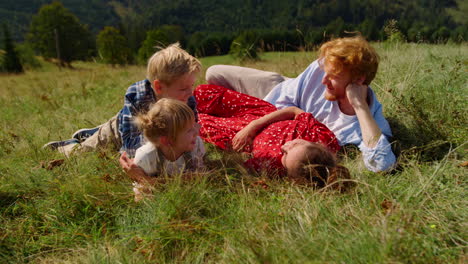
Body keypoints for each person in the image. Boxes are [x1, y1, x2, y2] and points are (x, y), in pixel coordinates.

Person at [206, 36, 396, 172]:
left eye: (334, 77)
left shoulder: (366, 124)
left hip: (286, 118)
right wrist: (254, 121)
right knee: (214, 73)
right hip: (278, 92)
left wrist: (359, 106)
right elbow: (286, 99)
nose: (324, 82)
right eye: (325, 73)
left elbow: (382, 164)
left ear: (359, 80)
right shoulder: (322, 71)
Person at [43, 43, 201, 158]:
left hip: (148, 132)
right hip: (117, 131)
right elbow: (130, 146)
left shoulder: (187, 98)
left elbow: (192, 131)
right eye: (183, 89)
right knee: (84, 153)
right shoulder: (138, 95)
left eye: (191, 86)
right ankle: (68, 147)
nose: (190, 93)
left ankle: (89, 132)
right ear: (159, 87)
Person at [195, 84, 351, 189]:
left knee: (195, 119)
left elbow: (236, 165)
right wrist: (253, 126)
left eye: (285, 156)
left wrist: (238, 150)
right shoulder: (323, 137)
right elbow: (293, 111)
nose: (284, 147)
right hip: (262, 115)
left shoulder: (273, 170)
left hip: (236, 133)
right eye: (294, 145)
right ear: (315, 145)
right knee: (203, 92)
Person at [131, 98, 205, 201]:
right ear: (167, 141)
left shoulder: (196, 145)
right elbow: (141, 188)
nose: (197, 131)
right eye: (189, 130)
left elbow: (201, 176)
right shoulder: (146, 157)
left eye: (194, 125)